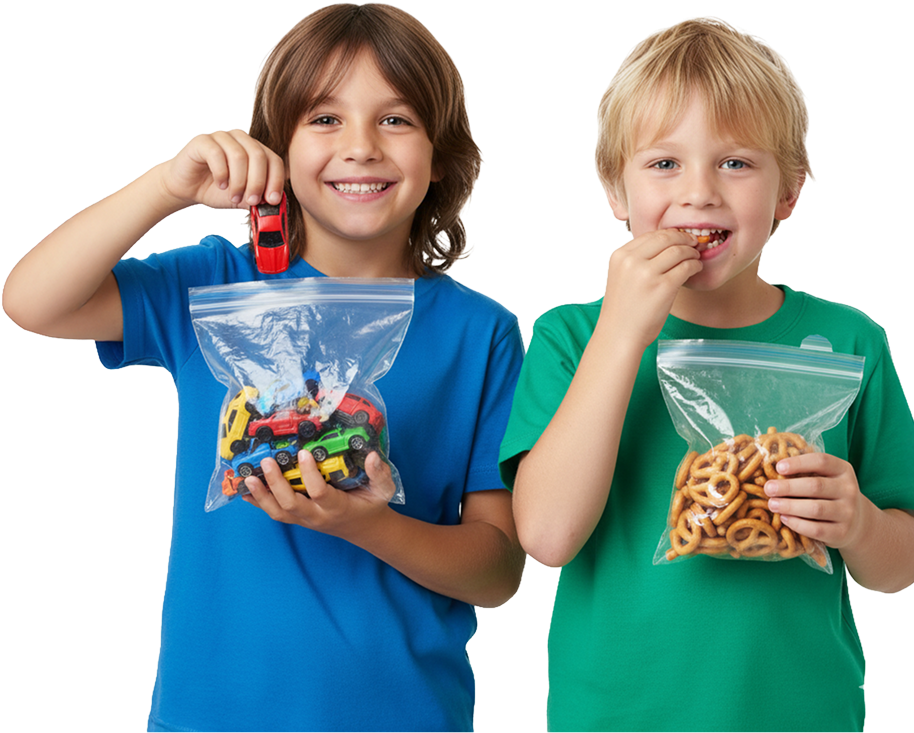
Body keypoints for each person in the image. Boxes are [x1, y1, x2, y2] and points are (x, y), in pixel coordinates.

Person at [2, 3, 526, 731]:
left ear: (440, 155)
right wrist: (167, 187)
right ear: (275, 148)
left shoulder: (482, 332)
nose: (362, 147)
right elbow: (32, 301)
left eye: (396, 119)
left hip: (404, 713)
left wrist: (369, 526)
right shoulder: (214, 281)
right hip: (213, 712)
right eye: (324, 119)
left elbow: (499, 569)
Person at [497, 14, 914, 732]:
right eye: (664, 163)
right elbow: (548, 535)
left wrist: (860, 522)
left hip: (803, 713)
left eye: (736, 162)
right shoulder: (571, 335)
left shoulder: (851, 341)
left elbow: (898, 565)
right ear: (615, 192)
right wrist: (624, 331)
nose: (700, 192)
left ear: (788, 193)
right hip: (614, 715)